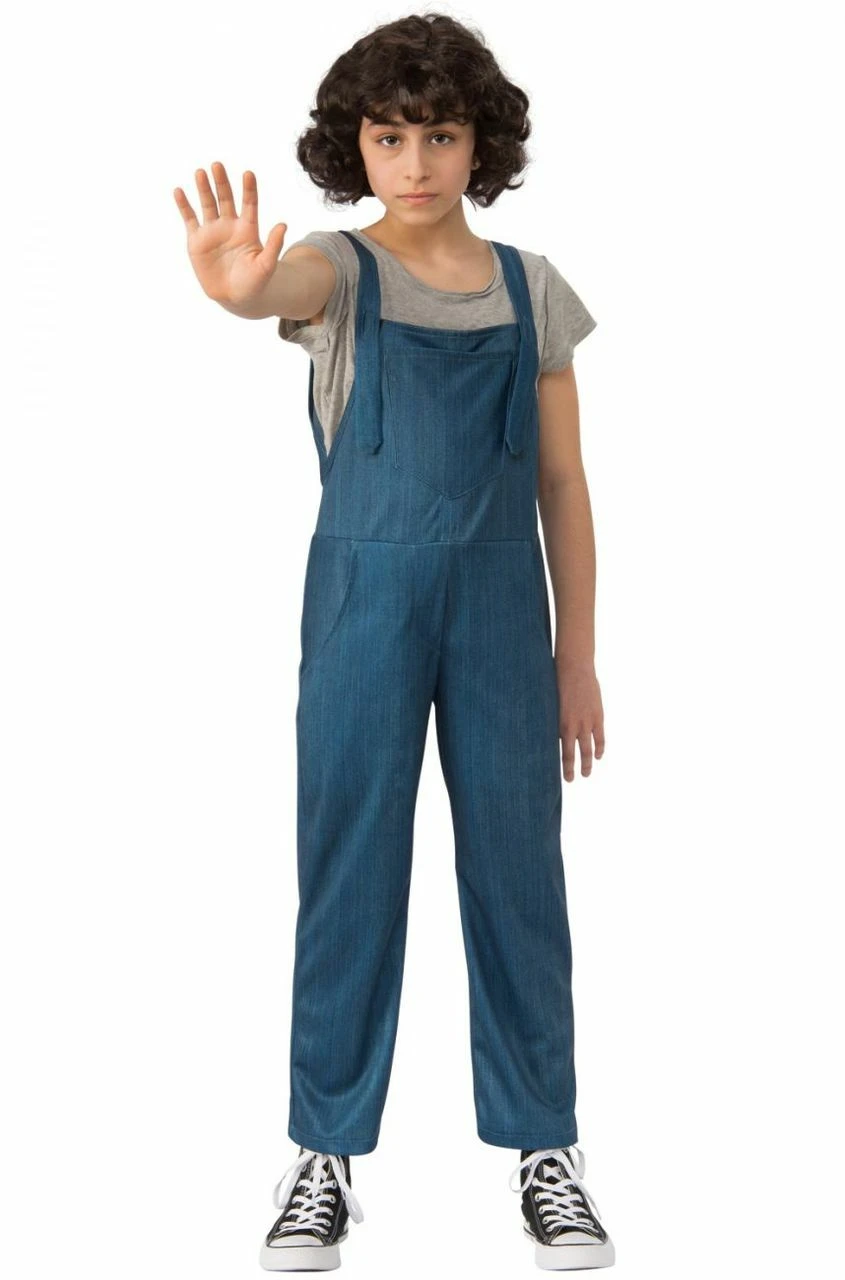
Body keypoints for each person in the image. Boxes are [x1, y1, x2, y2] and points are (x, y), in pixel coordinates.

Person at [173, 11, 614, 1273]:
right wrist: (236, 288)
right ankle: (321, 1154)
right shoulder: (336, 271)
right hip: (361, 604)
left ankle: (546, 1149)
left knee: (519, 878)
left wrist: (574, 654)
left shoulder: (532, 287)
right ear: (351, 147)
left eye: (440, 134)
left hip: (502, 611)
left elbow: (563, 484)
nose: (413, 162)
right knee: (349, 868)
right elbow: (274, 289)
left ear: (482, 144)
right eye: (386, 136)